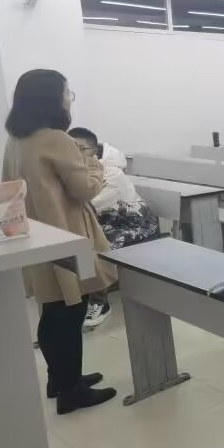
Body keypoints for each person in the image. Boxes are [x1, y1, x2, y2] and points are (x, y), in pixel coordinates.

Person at [2, 70, 117, 414]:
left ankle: (60, 379)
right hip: (67, 236)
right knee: (72, 309)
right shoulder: (56, 139)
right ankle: (70, 392)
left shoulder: (16, 140)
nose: (70, 98)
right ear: (52, 98)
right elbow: (85, 189)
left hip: (37, 236)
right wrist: (94, 165)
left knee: (53, 309)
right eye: (67, 92)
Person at [67, 127, 159, 327]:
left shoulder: (112, 173)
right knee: (79, 240)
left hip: (134, 225)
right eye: (70, 148)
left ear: (94, 150)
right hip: (105, 223)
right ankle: (82, 293)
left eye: (80, 149)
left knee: (90, 247)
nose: (75, 154)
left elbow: (89, 206)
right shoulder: (78, 170)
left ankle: (98, 301)